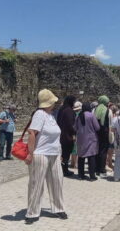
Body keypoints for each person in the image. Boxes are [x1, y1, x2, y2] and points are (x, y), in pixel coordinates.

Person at [24, 89, 67, 224]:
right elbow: (32, 134)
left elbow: (55, 137)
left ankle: (58, 208)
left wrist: (59, 153)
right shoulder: (39, 114)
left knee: (57, 182)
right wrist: (30, 154)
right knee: (37, 184)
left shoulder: (51, 116)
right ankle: (32, 212)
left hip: (54, 154)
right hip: (40, 153)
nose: (55, 104)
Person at [74, 102, 100, 181]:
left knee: (81, 157)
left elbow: (75, 128)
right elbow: (97, 127)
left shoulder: (78, 116)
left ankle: (81, 175)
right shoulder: (91, 115)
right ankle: (92, 176)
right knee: (91, 157)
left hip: (81, 139)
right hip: (91, 139)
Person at [56, 95, 76, 177]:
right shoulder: (69, 111)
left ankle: (61, 169)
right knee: (66, 154)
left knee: (62, 153)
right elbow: (70, 124)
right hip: (67, 136)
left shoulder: (62, 109)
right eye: (74, 101)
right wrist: (74, 132)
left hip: (60, 134)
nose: (74, 103)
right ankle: (64, 170)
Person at [94, 95, 113, 177]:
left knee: (97, 150)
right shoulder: (109, 111)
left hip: (96, 133)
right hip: (105, 133)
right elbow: (110, 124)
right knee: (103, 151)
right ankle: (102, 170)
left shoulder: (94, 109)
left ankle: (96, 169)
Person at [106, 103, 118, 172]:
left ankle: (109, 163)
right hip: (110, 135)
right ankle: (108, 164)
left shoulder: (113, 116)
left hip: (112, 135)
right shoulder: (111, 116)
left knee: (110, 151)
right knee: (109, 151)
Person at [70, 101, 82, 169]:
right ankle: (75, 164)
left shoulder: (72, 113)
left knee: (73, 149)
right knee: (76, 149)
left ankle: (72, 163)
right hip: (77, 133)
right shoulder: (79, 114)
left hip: (72, 132)